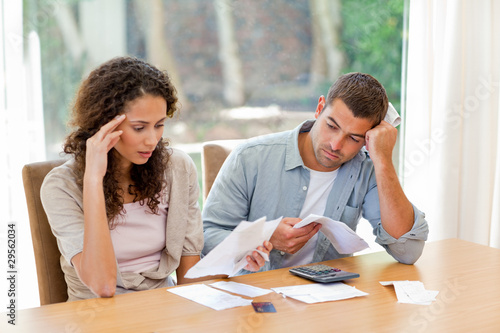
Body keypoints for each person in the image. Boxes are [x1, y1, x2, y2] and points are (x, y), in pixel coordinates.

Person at [41, 56, 272, 301]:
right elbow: (103, 286)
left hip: (163, 309)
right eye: (139, 128)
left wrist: (235, 261)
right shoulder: (61, 186)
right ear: (104, 124)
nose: (152, 140)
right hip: (94, 315)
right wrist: (93, 180)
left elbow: (188, 278)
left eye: (159, 125)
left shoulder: (177, 169)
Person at [203, 72, 428, 273]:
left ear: (367, 139)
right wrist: (263, 235)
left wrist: (384, 160)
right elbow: (205, 237)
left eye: (354, 138)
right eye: (331, 126)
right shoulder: (250, 156)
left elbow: (407, 251)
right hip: (255, 302)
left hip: (325, 303)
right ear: (320, 108)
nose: (336, 144)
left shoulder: (366, 170)